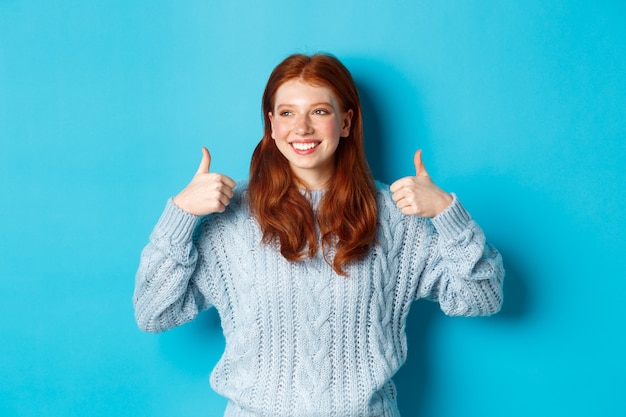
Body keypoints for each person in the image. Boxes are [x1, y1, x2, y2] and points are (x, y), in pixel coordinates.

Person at [134, 53, 504, 417]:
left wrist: (446, 213)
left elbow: (483, 296)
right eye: (287, 112)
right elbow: (153, 313)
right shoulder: (231, 219)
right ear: (272, 124)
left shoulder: (394, 219)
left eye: (320, 111)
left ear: (345, 122)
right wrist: (179, 214)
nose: (302, 128)